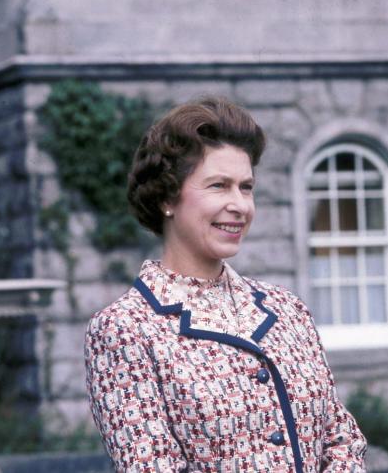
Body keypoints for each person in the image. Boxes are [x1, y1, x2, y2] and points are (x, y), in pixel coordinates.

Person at [84, 96, 366, 472]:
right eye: (219, 186)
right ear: (168, 196)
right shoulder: (124, 330)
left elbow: (341, 437)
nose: (240, 205)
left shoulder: (287, 309)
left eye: (246, 187)